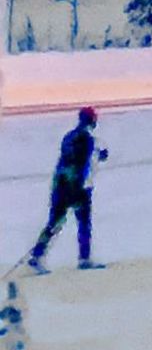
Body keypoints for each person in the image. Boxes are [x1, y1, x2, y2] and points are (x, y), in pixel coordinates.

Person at [27, 108, 106, 274]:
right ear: (92, 121)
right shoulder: (88, 140)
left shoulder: (69, 137)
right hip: (78, 187)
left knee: (55, 222)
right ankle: (84, 259)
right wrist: (78, 187)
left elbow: (67, 160)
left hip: (59, 184)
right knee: (84, 223)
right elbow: (83, 165)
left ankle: (37, 255)